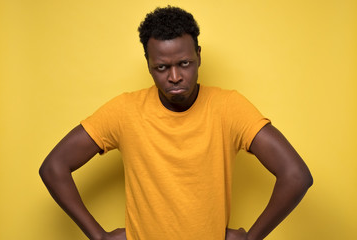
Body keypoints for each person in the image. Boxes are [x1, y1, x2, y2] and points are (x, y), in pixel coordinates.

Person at [39, 6, 313, 240]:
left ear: (199, 56)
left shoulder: (228, 108)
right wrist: (98, 236)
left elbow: (296, 175)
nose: (174, 76)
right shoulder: (124, 111)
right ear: (148, 64)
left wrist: (252, 238)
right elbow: (54, 167)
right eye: (162, 67)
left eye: (184, 63)